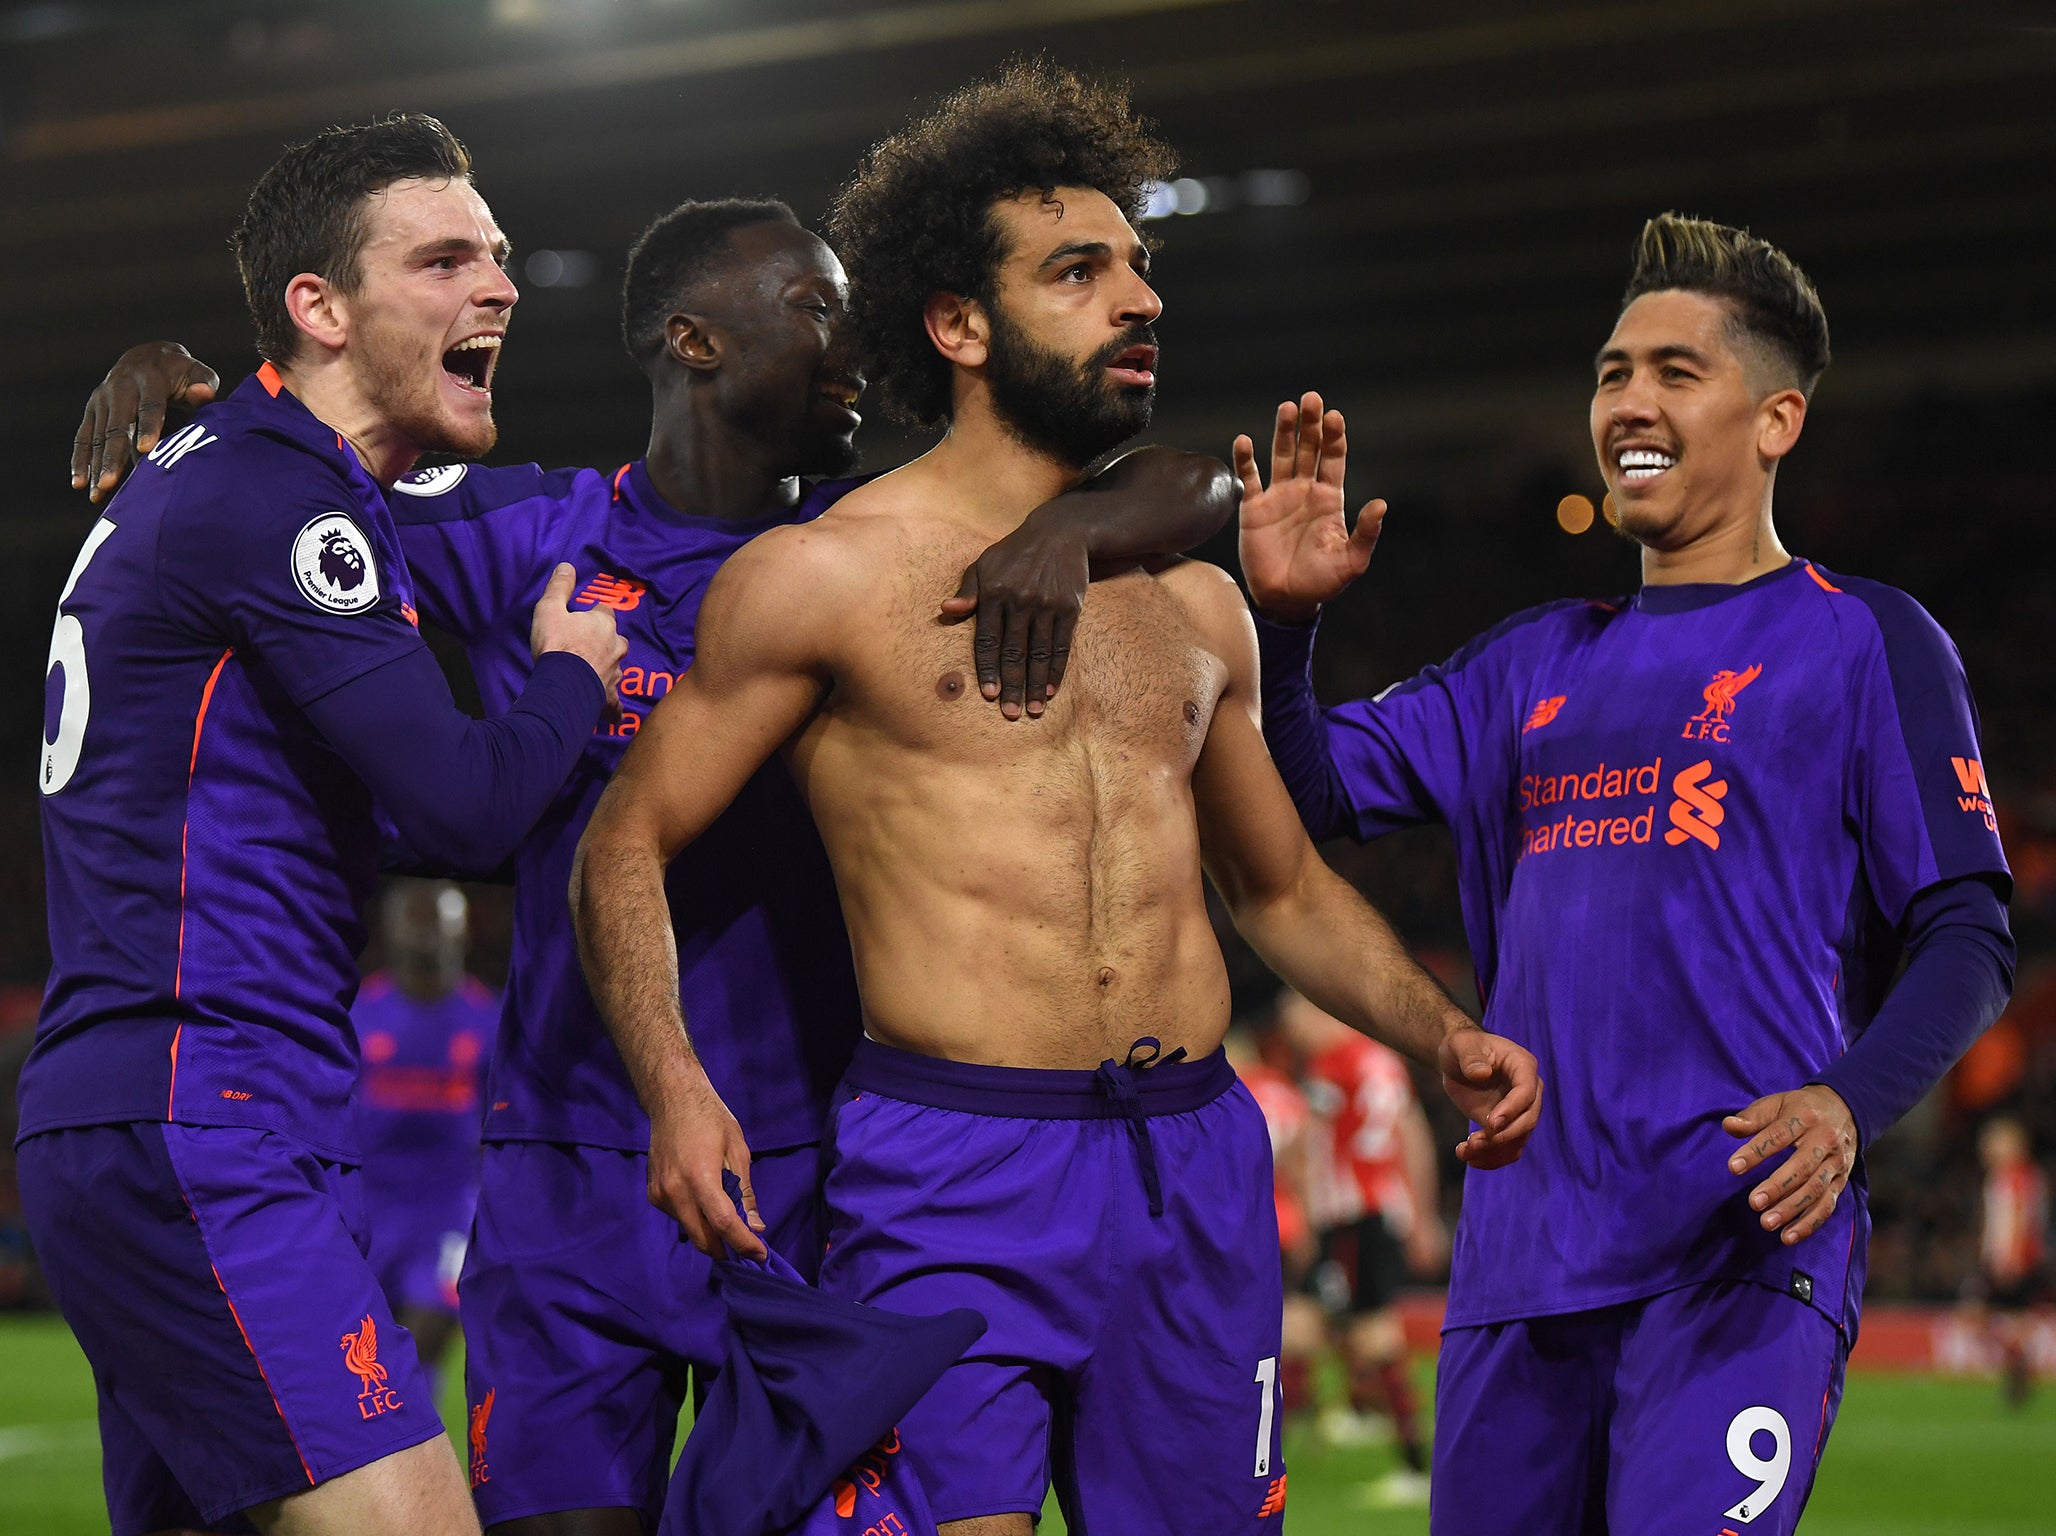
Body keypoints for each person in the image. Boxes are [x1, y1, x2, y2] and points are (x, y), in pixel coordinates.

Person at [78, 193, 1236, 1536]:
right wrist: (184, 394)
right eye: (814, 308)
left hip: (815, 1172)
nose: (849, 341)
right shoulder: (530, 534)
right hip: (566, 1166)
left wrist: (1069, 534)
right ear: (695, 340)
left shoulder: (884, 553)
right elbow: (290, 479)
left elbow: (1188, 479)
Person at [571, 61, 1541, 1535]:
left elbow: (1276, 888)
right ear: (959, 325)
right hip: (949, 1166)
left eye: (1141, 268)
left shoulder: (1199, 605)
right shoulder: (822, 577)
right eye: (1078, 272)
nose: (1138, 299)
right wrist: (676, 1086)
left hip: (1194, 1160)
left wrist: (1442, 1030)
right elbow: (623, 841)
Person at [1241, 213, 2016, 1534]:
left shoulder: (1868, 639)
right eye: (1611, 372)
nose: (1628, 403)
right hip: (1519, 1271)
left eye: (1674, 370)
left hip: (1737, 1256)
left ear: (1777, 420)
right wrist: (1288, 622)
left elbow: (1967, 929)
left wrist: (1845, 1105)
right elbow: (1309, 794)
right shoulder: (1527, 662)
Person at [17, 115, 623, 1536]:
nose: (501, 284)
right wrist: (565, 681)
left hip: (190, 1104)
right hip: (201, 1105)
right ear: (320, 307)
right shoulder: (275, 499)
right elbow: (464, 806)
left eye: (502, 256)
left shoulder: (257, 474)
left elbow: (608, 510)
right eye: (446, 257)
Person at [1275, 989, 1440, 1489]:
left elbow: (1306, 1144)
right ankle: (1316, 1427)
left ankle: (1415, 1465)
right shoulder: (1381, 1061)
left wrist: (1297, 1197)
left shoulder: (1333, 1065)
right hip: (1374, 1212)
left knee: (1367, 1332)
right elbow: (1412, 1133)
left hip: (1349, 1217)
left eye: (1296, 1019)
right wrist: (1421, 1214)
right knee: (1306, 1322)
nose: (1292, 1032)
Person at [352, 881, 497, 1395]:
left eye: (439, 922)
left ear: (462, 933)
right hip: (366, 1207)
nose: (427, 935)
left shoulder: (489, 1022)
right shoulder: (357, 1015)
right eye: (416, 922)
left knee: (419, 1343)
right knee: (356, 1353)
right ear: (391, 932)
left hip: (447, 1211)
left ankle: (413, 1456)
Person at [1977, 1115, 2048, 1407]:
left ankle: (2020, 1371)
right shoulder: (2004, 1176)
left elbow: (2020, 1221)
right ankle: (2019, 1372)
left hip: (2013, 1262)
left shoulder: (2018, 1177)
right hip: (2003, 1259)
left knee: (1984, 1318)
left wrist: (2010, 1259)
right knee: (2004, 1321)